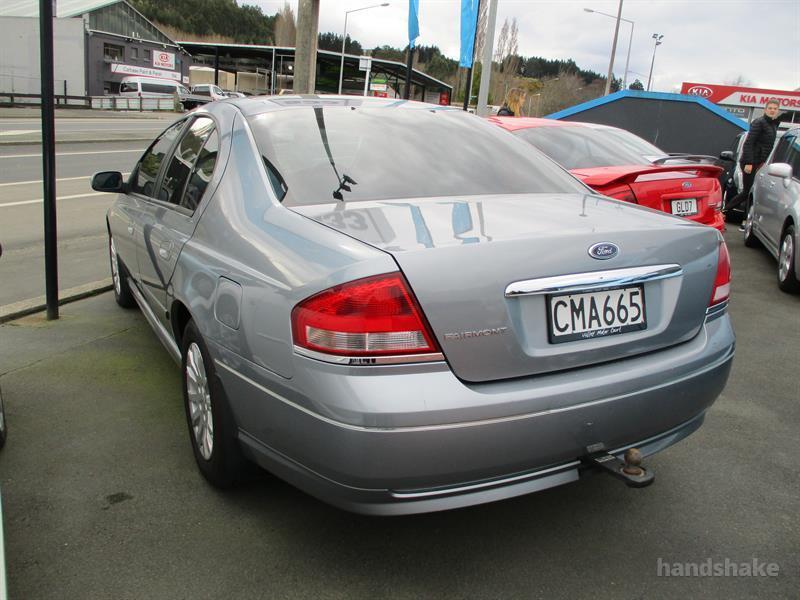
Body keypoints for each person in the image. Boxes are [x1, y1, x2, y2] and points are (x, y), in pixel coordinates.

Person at [725, 98, 781, 228]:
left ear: (777, 111)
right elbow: (749, 143)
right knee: (747, 192)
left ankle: (746, 222)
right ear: (765, 109)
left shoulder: (773, 125)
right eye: (770, 108)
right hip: (750, 162)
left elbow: (769, 146)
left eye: (775, 109)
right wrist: (749, 163)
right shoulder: (759, 122)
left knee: (753, 194)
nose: (772, 110)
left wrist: (763, 162)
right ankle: (723, 211)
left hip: (760, 163)